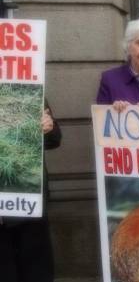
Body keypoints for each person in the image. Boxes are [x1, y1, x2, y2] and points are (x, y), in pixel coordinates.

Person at [0, 101, 61, 282]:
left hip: (29, 204)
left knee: (37, 272)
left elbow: (55, 139)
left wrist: (49, 128)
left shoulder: (30, 85)